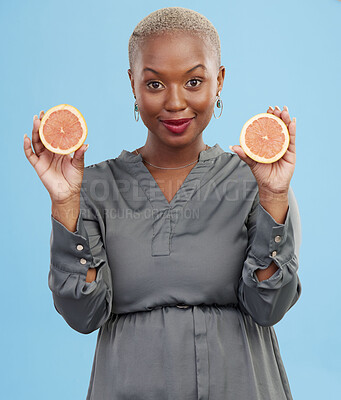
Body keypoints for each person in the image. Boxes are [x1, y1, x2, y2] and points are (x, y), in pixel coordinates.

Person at [23, 6, 301, 400]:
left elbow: (269, 308)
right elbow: (83, 316)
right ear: (133, 84)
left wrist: (274, 196)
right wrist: (66, 200)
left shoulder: (253, 179)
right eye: (154, 84)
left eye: (193, 81)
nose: (175, 102)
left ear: (218, 81)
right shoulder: (93, 185)